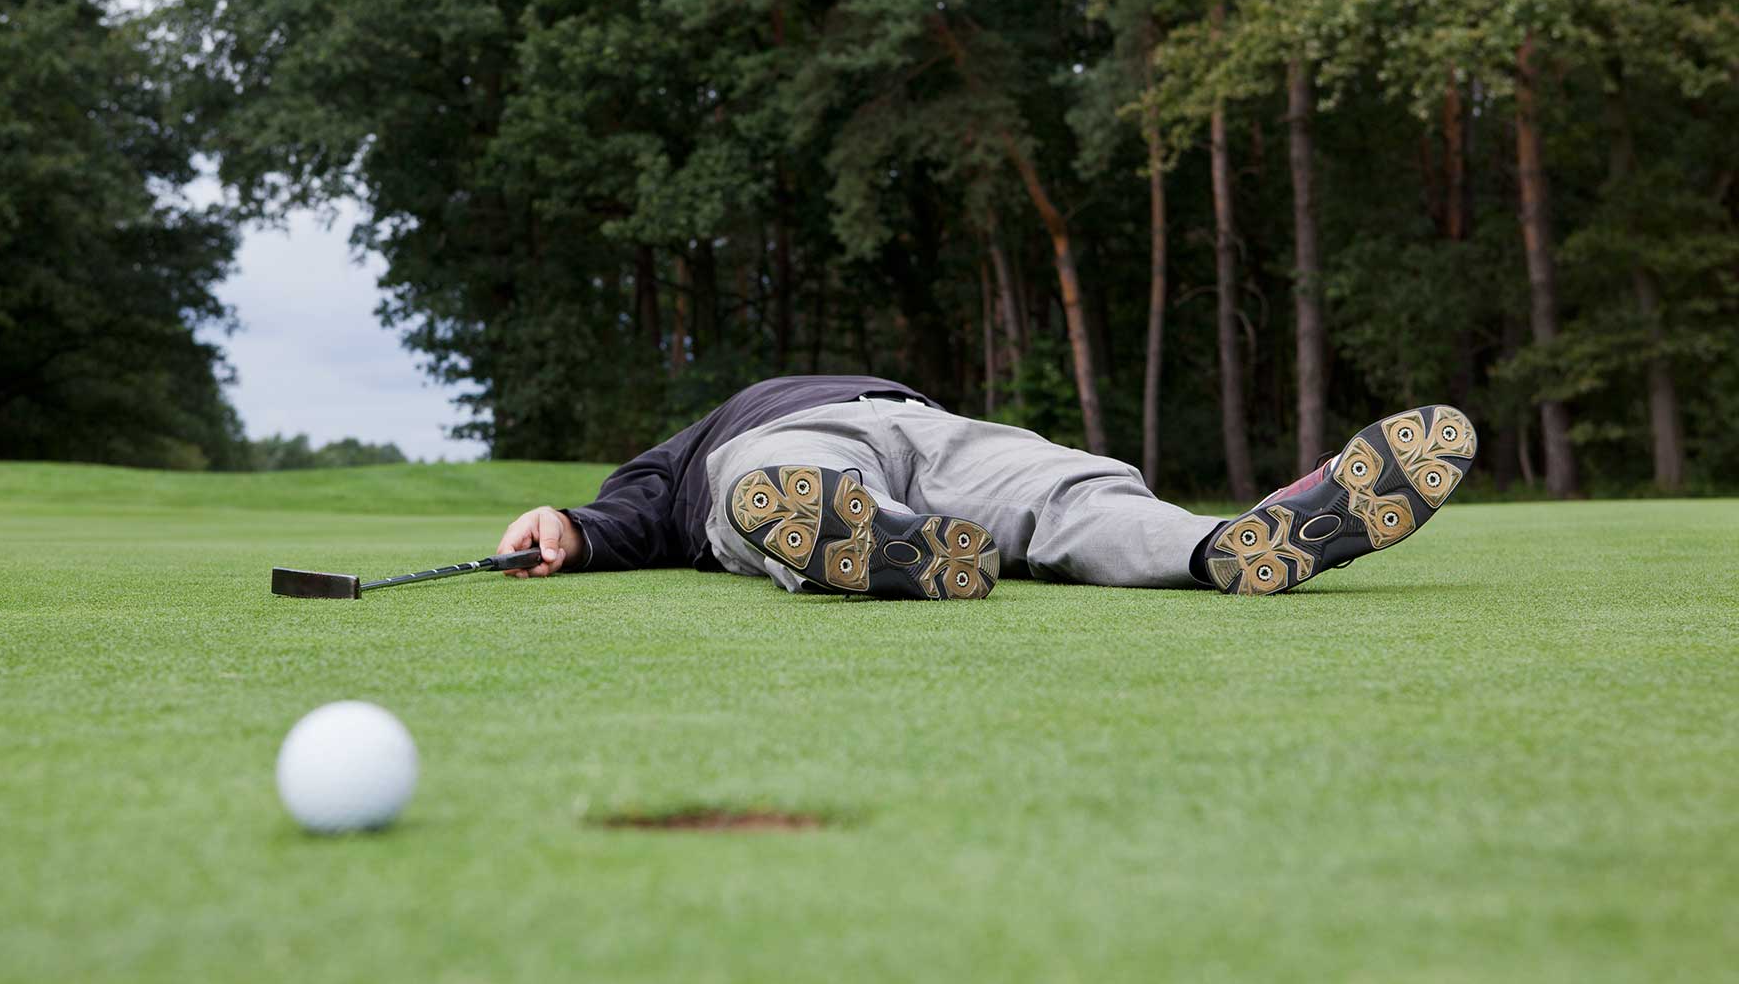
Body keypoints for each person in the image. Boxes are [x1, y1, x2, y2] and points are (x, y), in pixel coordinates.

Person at [495, 375, 1476, 598]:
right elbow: (628, 513)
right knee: (767, 484)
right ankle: (882, 545)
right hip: (799, 448)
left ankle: (1223, 545)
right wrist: (572, 529)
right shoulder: (688, 453)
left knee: (1075, 490)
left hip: (930, 426)